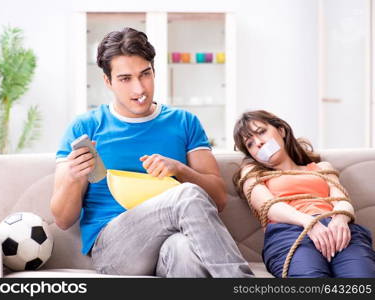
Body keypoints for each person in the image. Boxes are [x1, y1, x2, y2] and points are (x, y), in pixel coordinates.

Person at [50, 27, 253, 278]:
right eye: (125, 79)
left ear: (154, 71)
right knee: (186, 195)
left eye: (145, 74)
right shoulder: (86, 127)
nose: (139, 89)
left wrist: (180, 169)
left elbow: (219, 200)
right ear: (108, 81)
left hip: (173, 241)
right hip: (115, 250)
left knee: (183, 251)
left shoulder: (184, 122)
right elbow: (62, 219)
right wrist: (73, 176)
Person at [233, 109, 375, 278]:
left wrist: (341, 219)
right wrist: (309, 223)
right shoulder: (252, 173)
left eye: (261, 132)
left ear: (281, 130)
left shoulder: (321, 168)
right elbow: (269, 206)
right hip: (290, 234)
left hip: (337, 228)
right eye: (250, 144)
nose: (258, 143)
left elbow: (341, 200)